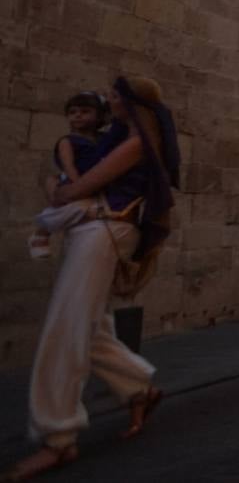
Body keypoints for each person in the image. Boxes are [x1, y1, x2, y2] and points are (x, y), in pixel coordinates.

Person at [9, 76, 178, 482]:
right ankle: (138, 388)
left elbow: (80, 187)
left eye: (117, 94)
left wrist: (58, 188)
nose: (110, 99)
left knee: (65, 327)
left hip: (104, 231)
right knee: (91, 326)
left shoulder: (136, 143)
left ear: (132, 102)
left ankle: (58, 436)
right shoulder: (120, 137)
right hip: (93, 230)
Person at [28, 91, 107, 260]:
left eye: (85, 111)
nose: (78, 115)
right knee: (75, 207)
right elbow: (68, 165)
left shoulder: (103, 139)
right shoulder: (68, 141)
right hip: (74, 180)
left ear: (99, 116)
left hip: (94, 181)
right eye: (72, 112)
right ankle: (42, 232)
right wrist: (79, 185)